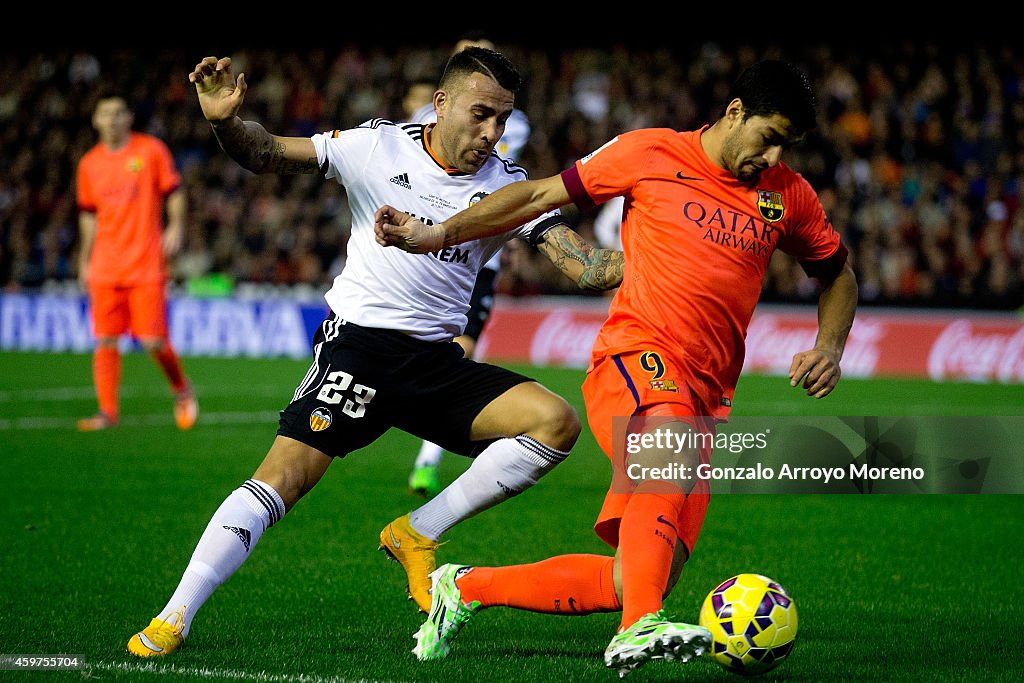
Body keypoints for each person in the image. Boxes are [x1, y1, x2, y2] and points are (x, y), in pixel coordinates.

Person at [126, 47, 624, 658]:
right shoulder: (377, 147)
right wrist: (226, 121)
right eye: (481, 114)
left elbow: (589, 267)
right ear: (440, 105)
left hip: (436, 364)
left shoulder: (507, 184)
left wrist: (667, 252)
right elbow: (268, 154)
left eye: (503, 119)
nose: (491, 133)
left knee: (554, 422)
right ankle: (175, 615)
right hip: (359, 350)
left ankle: (418, 531)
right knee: (282, 479)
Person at [375, 58, 859, 676]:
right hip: (638, 358)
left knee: (638, 578)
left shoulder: (786, 195)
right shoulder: (650, 152)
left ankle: (463, 590)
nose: (772, 159)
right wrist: (438, 232)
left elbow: (837, 273)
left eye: (785, 148)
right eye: (768, 139)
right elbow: (539, 194)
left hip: (709, 396)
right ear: (735, 113)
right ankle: (638, 630)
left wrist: (830, 346)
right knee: (666, 455)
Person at [403, 31, 534, 499]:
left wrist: (512, 231)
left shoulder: (510, 125)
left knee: (463, 346)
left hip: (479, 249)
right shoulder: (424, 119)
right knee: (439, 346)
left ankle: (428, 458)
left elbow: (502, 176)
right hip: (429, 247)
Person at [75, 93, 198, 432]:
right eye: (105, 114)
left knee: (153, 342)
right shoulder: (89, 164)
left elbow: (174, 191)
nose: (112, 120)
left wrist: (174, 226)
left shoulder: (150, 151)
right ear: (95, 120)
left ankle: (182, 389)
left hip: (145, 263)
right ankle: (107, 413)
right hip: (105, 264)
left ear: (129, 117)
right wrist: (84, 260)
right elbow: (88, 216)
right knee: (105, 339)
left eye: (118, 113)